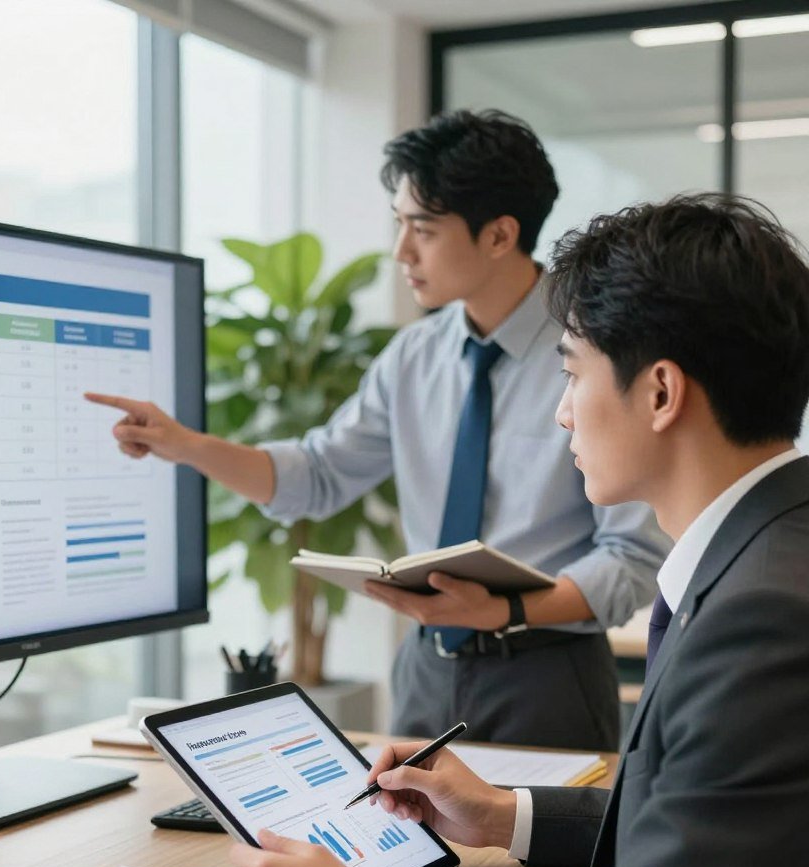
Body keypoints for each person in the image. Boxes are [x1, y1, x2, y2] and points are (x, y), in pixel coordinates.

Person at [228, 193, 809, 867]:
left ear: (660, 393)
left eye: (571, 374)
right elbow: (706, 821)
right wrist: (506, 814)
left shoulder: (765, 621)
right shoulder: (769, 556)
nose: (562, 411)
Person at [87, 110, 669, 750]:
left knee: (548, 821)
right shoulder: (412, 356)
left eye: (424, 229)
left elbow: (631, 556)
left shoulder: (594, 352)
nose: (401, 252)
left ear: (500, 235)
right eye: (400, 224)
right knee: (401, 818)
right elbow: (318, 475)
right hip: (425, 669)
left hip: (547, 673)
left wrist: (505, 609)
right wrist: (185, 445)